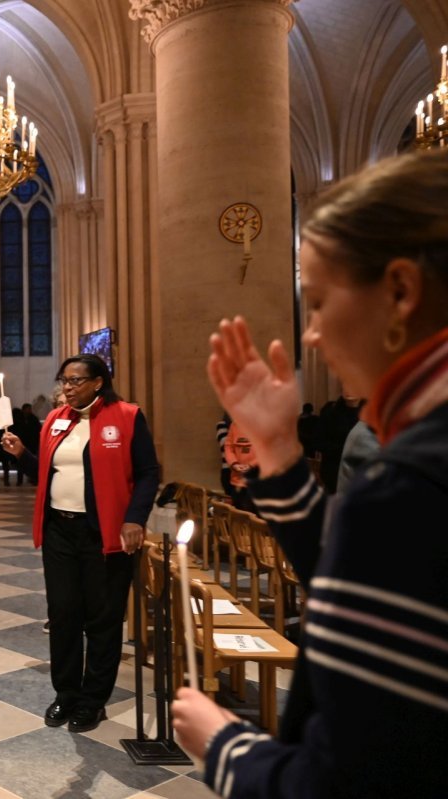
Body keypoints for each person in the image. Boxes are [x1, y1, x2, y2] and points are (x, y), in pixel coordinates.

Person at [172, 150, 448, 798]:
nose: (314, 335)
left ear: (401, 292)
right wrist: (277, 451)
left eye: (319, 302)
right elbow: (367, 566)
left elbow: (349, 781)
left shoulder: (407, 486)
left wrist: (225, 744)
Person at [2, 353, 159, 733]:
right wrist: (22, 455)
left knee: (102, 618)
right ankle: (66, 693)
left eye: (75, 381)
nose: (67, 388)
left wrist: (135, 518)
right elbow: (46, 471)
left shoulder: (126, 416)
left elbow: (149, 471)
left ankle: (93, 701)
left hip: (103, 534)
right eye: (64, 381)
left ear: (98, 382)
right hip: (60, 530)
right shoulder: (56, 420)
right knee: (64, 613)